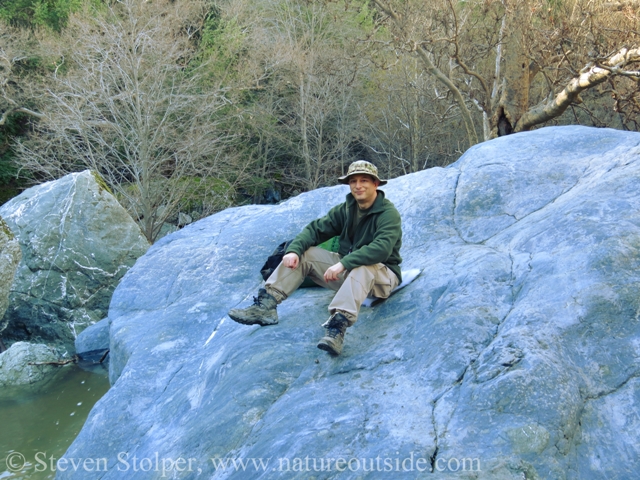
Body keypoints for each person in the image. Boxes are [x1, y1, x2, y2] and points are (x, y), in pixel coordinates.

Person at [228, 160, 402, 355]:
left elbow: (382, 249)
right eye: (353, 181)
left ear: (376, 184)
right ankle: (267, 305)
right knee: (307, 253)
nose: (358, 186)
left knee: (363, 267)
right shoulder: (346, 209)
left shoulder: (388, 214)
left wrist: (342, 264)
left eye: (364, 180)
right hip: (349, 275)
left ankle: (337, 329)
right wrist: (293, 251)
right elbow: (315, 230)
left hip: (381, 277)